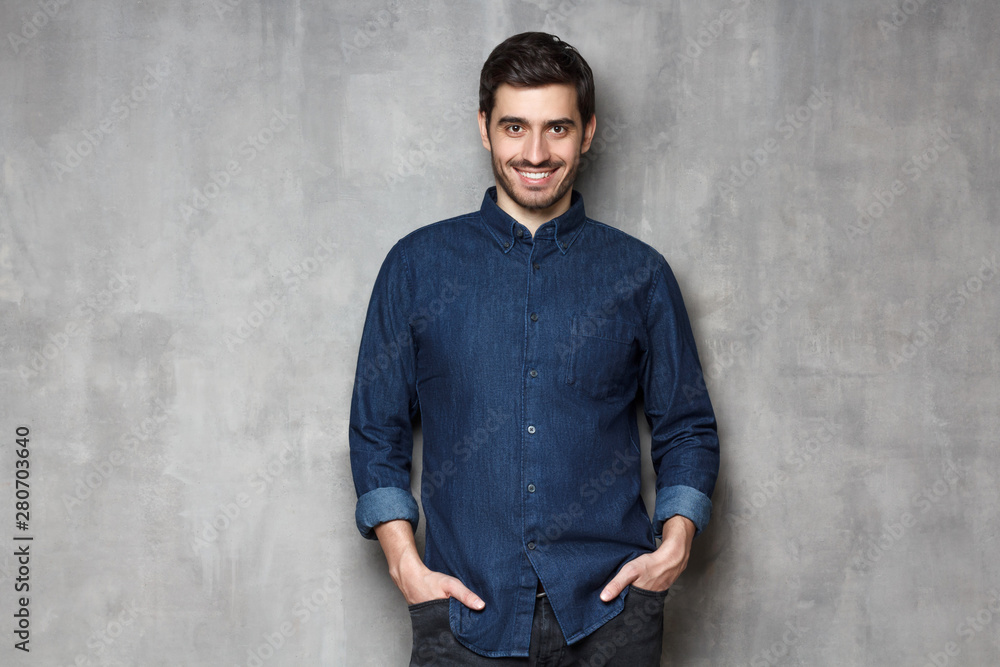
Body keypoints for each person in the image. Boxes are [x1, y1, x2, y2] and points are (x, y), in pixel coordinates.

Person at [349, 31, 720, 666]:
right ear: (485, 128)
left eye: (558, 128)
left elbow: (686, 427)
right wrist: (404, 563)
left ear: (589, 131)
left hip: (611, 616)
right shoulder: (417, 268)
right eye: (515, 127)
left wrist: (675, 545)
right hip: (465, 616)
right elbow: (375, 431)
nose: (536, 152)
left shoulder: (641, 275)